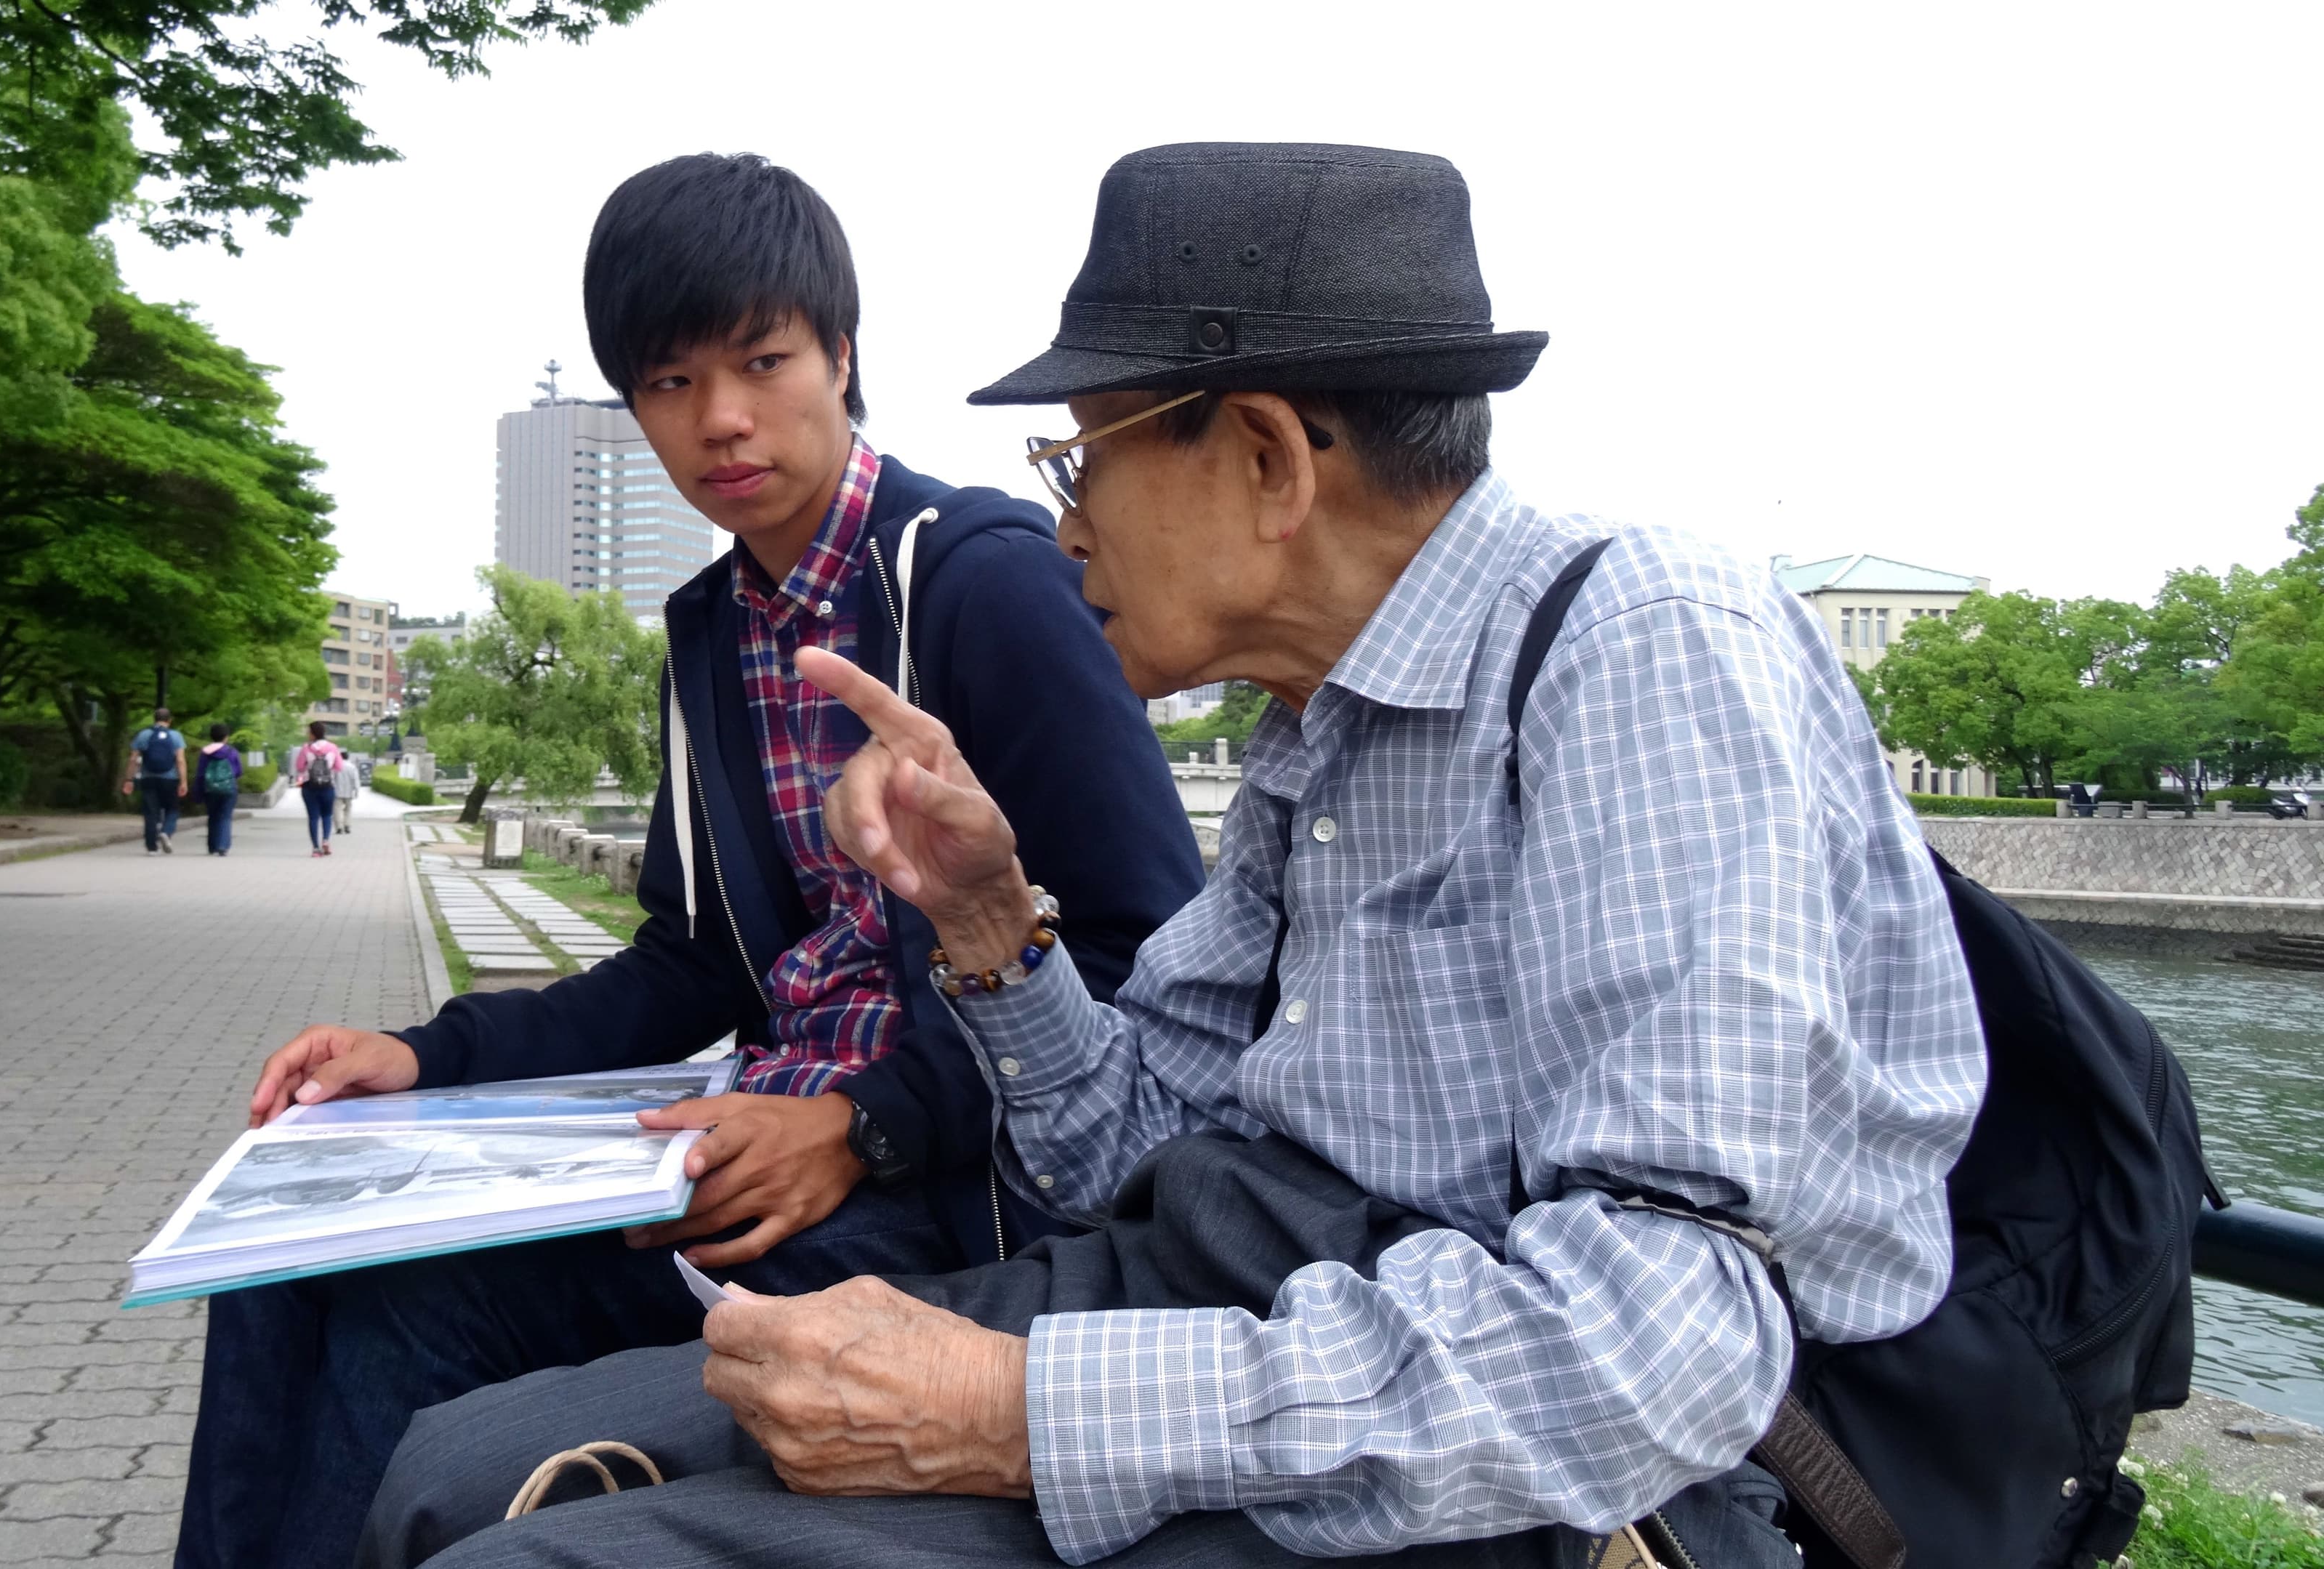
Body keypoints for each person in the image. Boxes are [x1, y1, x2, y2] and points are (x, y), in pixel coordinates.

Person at [357, 144, 1991, 1569]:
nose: (1064, 525)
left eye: (1088, 458)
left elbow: (1663, 1346)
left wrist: (1015, 1407)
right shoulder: (1312, 738)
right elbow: (1130, 1150)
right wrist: (992, 922)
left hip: (1532, 1480)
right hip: (1243, 1300)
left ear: (1270, 458)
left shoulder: (1645, 646)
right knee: (445, 1476)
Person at [174, 153, 1202, 1568]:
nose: (721, 418)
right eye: (667, 382)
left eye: (763, 359)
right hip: (732, 1151)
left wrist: (870, 1119)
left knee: (410, 1310)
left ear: (842, 355)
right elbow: (693, 960)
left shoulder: (980, 577)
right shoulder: (714, 629)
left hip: (940, 1196)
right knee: (281, 1259)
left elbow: (1149, 948)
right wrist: (422, 1053)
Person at [125, 706, 188, 855]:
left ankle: (151, 847)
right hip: (170, 779)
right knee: (172, 809)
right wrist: (183, 781)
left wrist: (129, 779)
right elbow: (180, 760)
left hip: (148, 778)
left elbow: (133, 759)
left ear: (155, 720)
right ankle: (166, 832)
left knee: (150, 812)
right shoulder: (176, 736)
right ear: (170, 721)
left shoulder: (144, 735)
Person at [294, 722, 347, 857]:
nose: (308, 734)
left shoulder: (306, 748)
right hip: (327, 786)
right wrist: (328, 771)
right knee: (327, 816)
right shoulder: (333, 747)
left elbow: (299, 767)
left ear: (313, 734)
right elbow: (340, 767)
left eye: (308, 732)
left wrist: (309, 768)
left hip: (309, 786)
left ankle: (316, 849)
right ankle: (326, 840)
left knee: (313, 817)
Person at [193, 723, 244, 856]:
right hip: (228, 788)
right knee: (225, 816)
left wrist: (198, 793)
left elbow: (200, 774)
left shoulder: (205, 752)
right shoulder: (232, 752)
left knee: (213, 816)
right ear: (226, 737)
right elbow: (238, 771)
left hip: (210, 789)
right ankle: (223, 845)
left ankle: (212, 846)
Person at [333, 744, 360, 834]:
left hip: (337, 792)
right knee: (348, 810)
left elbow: (332, 779)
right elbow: (355, 779)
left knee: (337, 810)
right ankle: (347, 826)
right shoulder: (352, 767)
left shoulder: (336, 767)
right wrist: (357, 790)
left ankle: (339, 827)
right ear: (348, 757)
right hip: (349, 792)